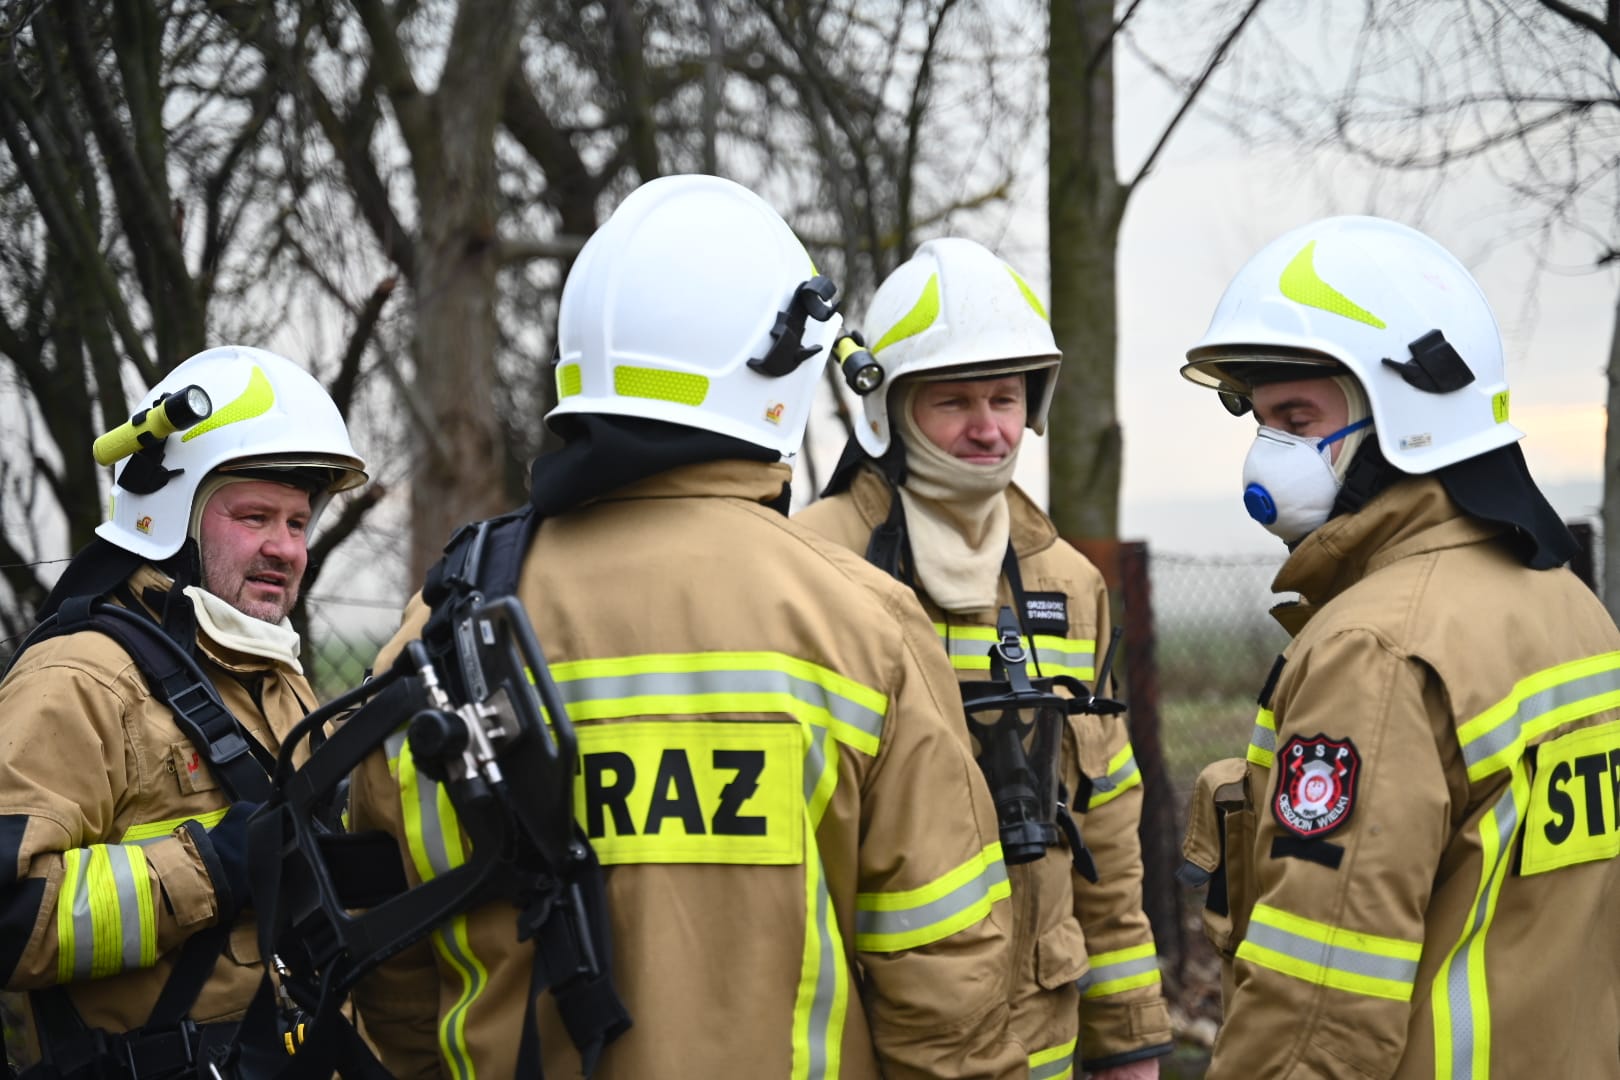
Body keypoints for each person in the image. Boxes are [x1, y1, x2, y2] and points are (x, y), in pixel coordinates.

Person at [350, 175, 1024, 1080]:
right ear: (780, 367)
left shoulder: (438, 633)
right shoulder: (864, 625)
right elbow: (946, 989)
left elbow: (394, 983)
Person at [1176, 215, 1620, 1078]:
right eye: (1261, 421)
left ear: (1407, 415)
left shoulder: (1373, 650)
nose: (1268, 455)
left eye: (1297, 417)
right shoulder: (1575, 611)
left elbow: (1317, 1014)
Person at [795, 237, 1173, 1080]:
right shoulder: (809, 564)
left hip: (1040, 1044)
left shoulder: (1067, 582)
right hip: (867, 1044)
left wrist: (1130, 1039)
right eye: (954, 400)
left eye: (1005, 397)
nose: (988, 427)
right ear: (888, 407)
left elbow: (1107, 835)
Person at [0, 346, 367, 1076]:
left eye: (298, 523)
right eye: (256, 517)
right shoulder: (79, 680)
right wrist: (213, 866)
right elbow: (10, 918)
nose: (286, 549)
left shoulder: (274, 678)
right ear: (175, 518)